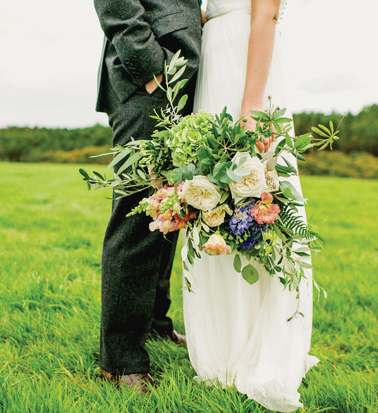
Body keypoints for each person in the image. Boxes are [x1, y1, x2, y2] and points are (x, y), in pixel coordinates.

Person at [182, 0, 318, 411]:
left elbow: (266, 15)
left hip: (245, 68)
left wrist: (251, 107)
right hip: (214, 59)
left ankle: (263, 344)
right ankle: (224, 341)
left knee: (255, 190)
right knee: (214, 197)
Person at [92, 0, 202, 393]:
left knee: (169, 209)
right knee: (137, 216)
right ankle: (120, 362)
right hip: (150, 78)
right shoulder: (152, 70)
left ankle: (155, 324)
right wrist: (151, 65)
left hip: (182, 76)